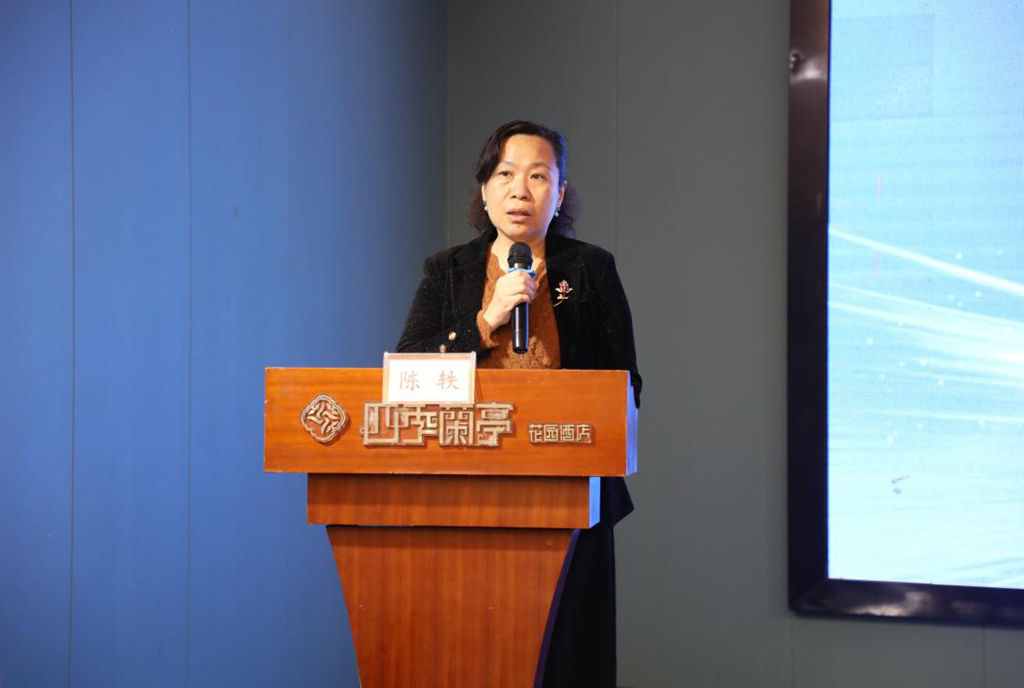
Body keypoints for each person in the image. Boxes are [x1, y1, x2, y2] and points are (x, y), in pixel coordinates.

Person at [396, 120, 641, 688]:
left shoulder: (591, 268)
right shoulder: (447, 271)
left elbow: (626, 384)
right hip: (466, 488)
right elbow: (408, 371)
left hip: (571, 491)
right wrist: (487, 319)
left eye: (538, 176)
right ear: (484, 190)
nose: (519, 190)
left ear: (560, 193)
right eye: (505, 174)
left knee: (566, 658)